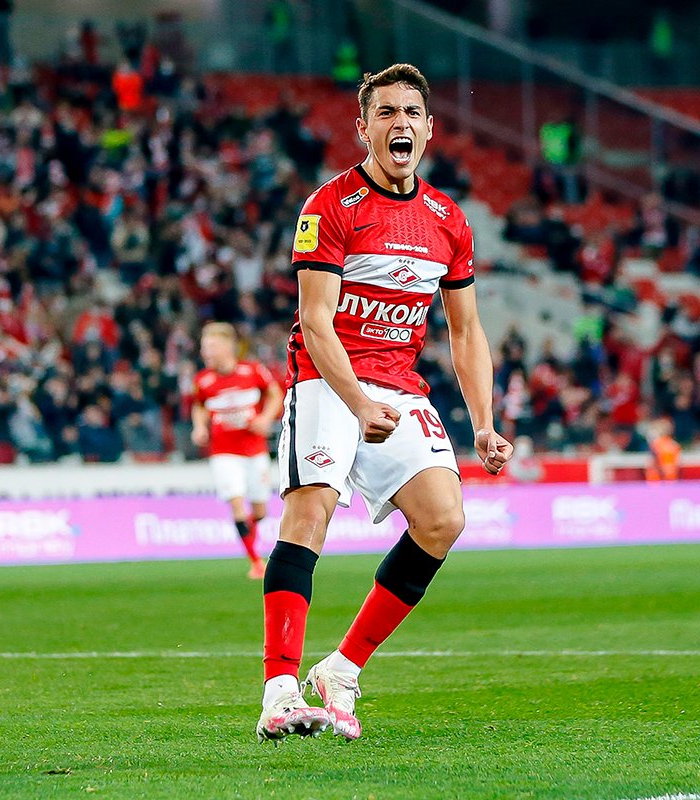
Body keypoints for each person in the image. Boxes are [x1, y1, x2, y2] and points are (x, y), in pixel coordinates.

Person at [256, 64, 513, 743]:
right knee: (310, 511)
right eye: (387, 113)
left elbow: (466, 332)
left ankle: (340, 669)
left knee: (443, 519)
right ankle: (279, 691)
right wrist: (356, 403)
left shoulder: (447, 220)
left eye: (412, 113)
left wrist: (484, 425)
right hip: (326, 378)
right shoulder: (331, 206)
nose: (401, 123)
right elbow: (316, 321)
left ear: (428, 130)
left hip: (398, 385)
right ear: (363, 129)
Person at [191, 322, 284, 579]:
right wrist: (199, 427)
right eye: (204, 347)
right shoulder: (203, 380)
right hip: (224, 453)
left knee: (260, 511)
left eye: (211, 346)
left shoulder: (253, 370)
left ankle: (250, 538)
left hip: (255, 450)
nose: (206, 352)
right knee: (237, 504)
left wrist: (265, 419)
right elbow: (199, 406)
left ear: (228, 347)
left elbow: (275, 394)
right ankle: (255, 562)